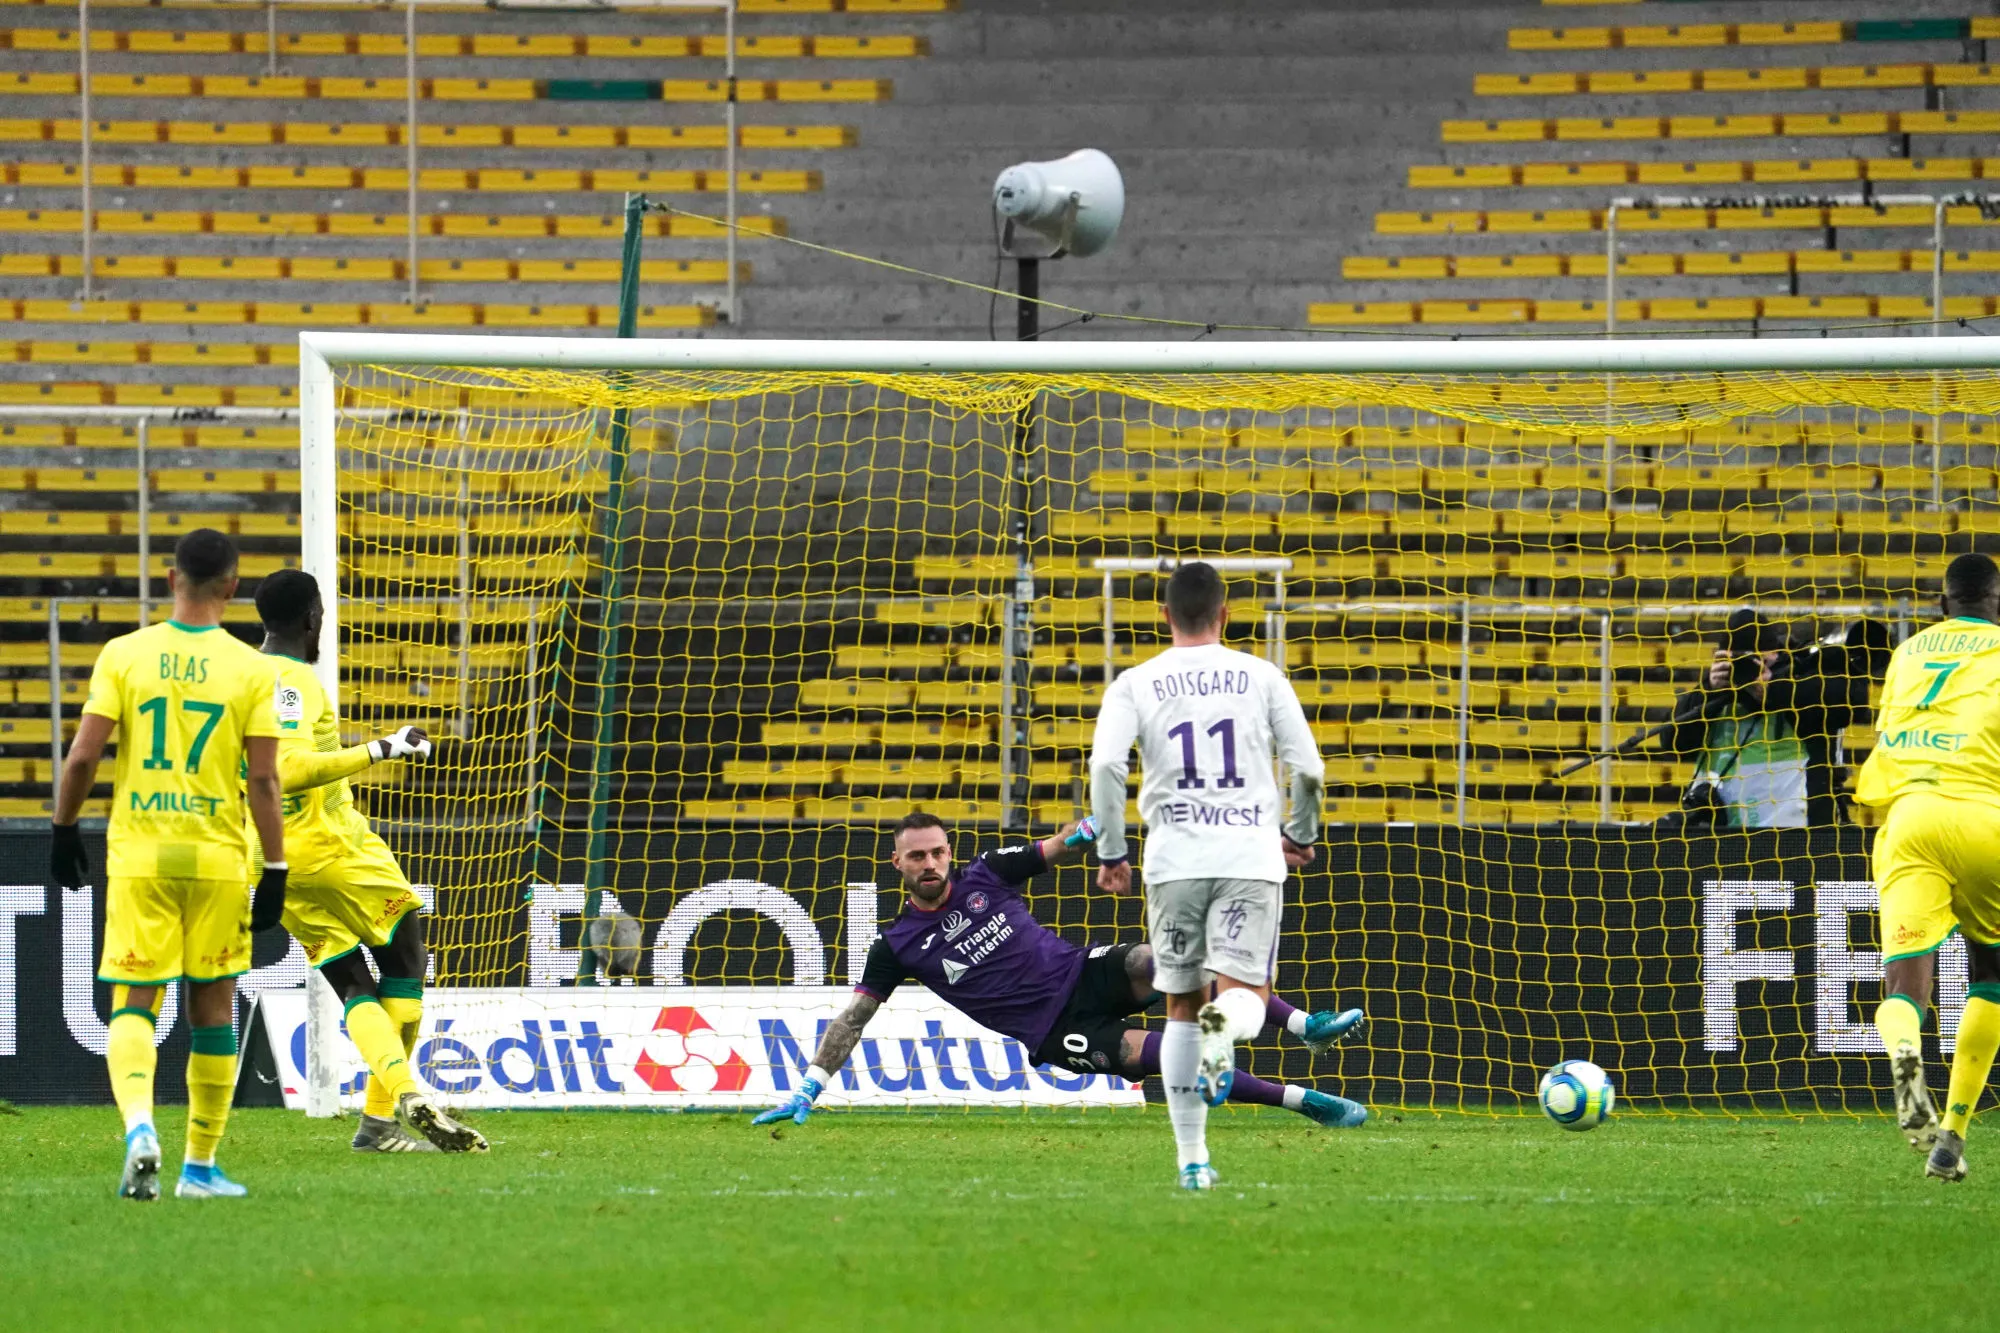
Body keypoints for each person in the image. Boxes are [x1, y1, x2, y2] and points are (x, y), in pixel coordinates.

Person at [749, 813, 1365, 1131]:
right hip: (1055, 1031)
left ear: (948, 850)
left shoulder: (987, 872)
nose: (931, 862)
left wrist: (1095, 827)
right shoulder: (895, 945)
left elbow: (1059, 846)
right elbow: (854, 1017)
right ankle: (1304, 1102)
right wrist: (809, 1085)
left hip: (1082, 972)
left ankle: (1303, 1025)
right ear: (898, 864)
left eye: (938, 851)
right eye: (918, 856)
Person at [49, 529, 289, 1200]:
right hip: (215, 857)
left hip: (140, 855)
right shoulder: (251, 669)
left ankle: (139, 1129)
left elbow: (81, 758)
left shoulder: (125, 654)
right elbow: (265, 782)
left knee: (134, 1001)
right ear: (233, 587)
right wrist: (275, 866)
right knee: (213, 1008)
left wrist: (63, 829)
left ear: (172, 578)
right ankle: (201, 1166)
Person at [1086, 560, 1332, 1190]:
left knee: (1178, 1011)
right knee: (1242, 995)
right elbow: (1308, 768)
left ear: (1164, 615)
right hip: (1248, 857)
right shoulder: (1262, 675)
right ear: (1225, 614)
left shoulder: (1136, 683)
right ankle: (1228, 1028)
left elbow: (1107, 767)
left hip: (1174, 864)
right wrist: (1299, 836)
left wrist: (1112, 852)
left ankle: (1193, 1161)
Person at [253, 569, 486, 1154]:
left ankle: (378, 1128)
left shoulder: (239, 677)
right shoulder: (291, 681)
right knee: (406, 955)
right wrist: (382, 747)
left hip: (270, 857)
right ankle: (395, 1105)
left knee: (350, 979)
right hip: (331, 846)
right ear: (312, 618)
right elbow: (290, 769)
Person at [1853, 552, 2000, 1181]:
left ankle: (1905, 1048)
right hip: (1985, 815)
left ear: (1943, 604)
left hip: (1910, 817)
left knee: (1904, 985)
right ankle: (1955, 1133)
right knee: (1991, 975)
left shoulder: (1907, 654)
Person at [1659, 609, 1877, 830]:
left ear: (1775, 653)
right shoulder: (1714, 692)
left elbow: (1852, 701)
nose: (1748, 668)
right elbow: (1671, 741)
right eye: (1738, 660)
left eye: (1757, 659)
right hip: (1721, 833)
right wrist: (1708, 689)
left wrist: (1773, 689)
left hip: (1797, 836)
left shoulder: (1799, 677)